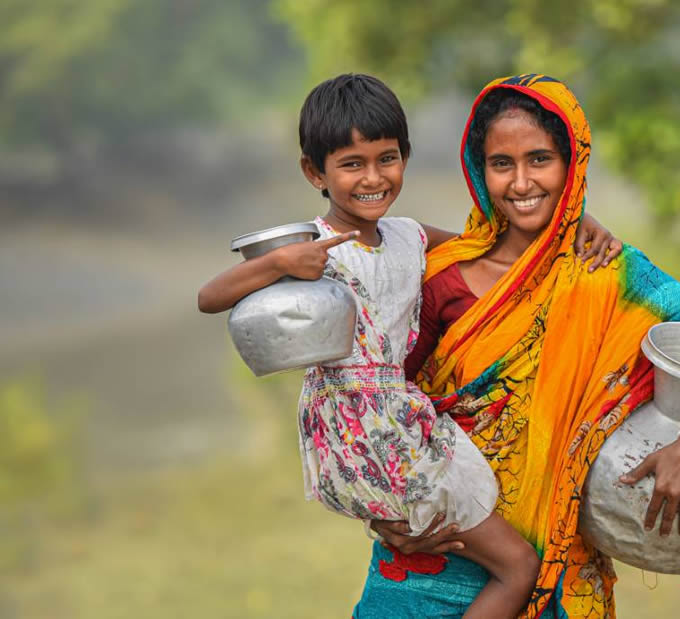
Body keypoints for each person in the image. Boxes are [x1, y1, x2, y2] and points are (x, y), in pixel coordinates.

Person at [196, 74, 623, 619]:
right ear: (314, 172)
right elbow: (210, 298)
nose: (373, 177)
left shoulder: (408, 236)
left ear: (405, 157)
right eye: (352, 164)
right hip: (372, 431)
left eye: (387, 158)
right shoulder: (310, 245)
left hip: (399, 422)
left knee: (476, 537)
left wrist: (577, 218)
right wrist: (279, 264)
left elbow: (491, 242)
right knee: (518, 568)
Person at [360, 75, 680, 619]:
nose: (520, 182)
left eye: (540, 159)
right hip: (425, 564)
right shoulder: (441, 276)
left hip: (556, 578)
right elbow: (376, 404)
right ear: (478, 170)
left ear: (573, 165)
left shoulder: (616, 281)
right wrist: (379, 506)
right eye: (501, 163)